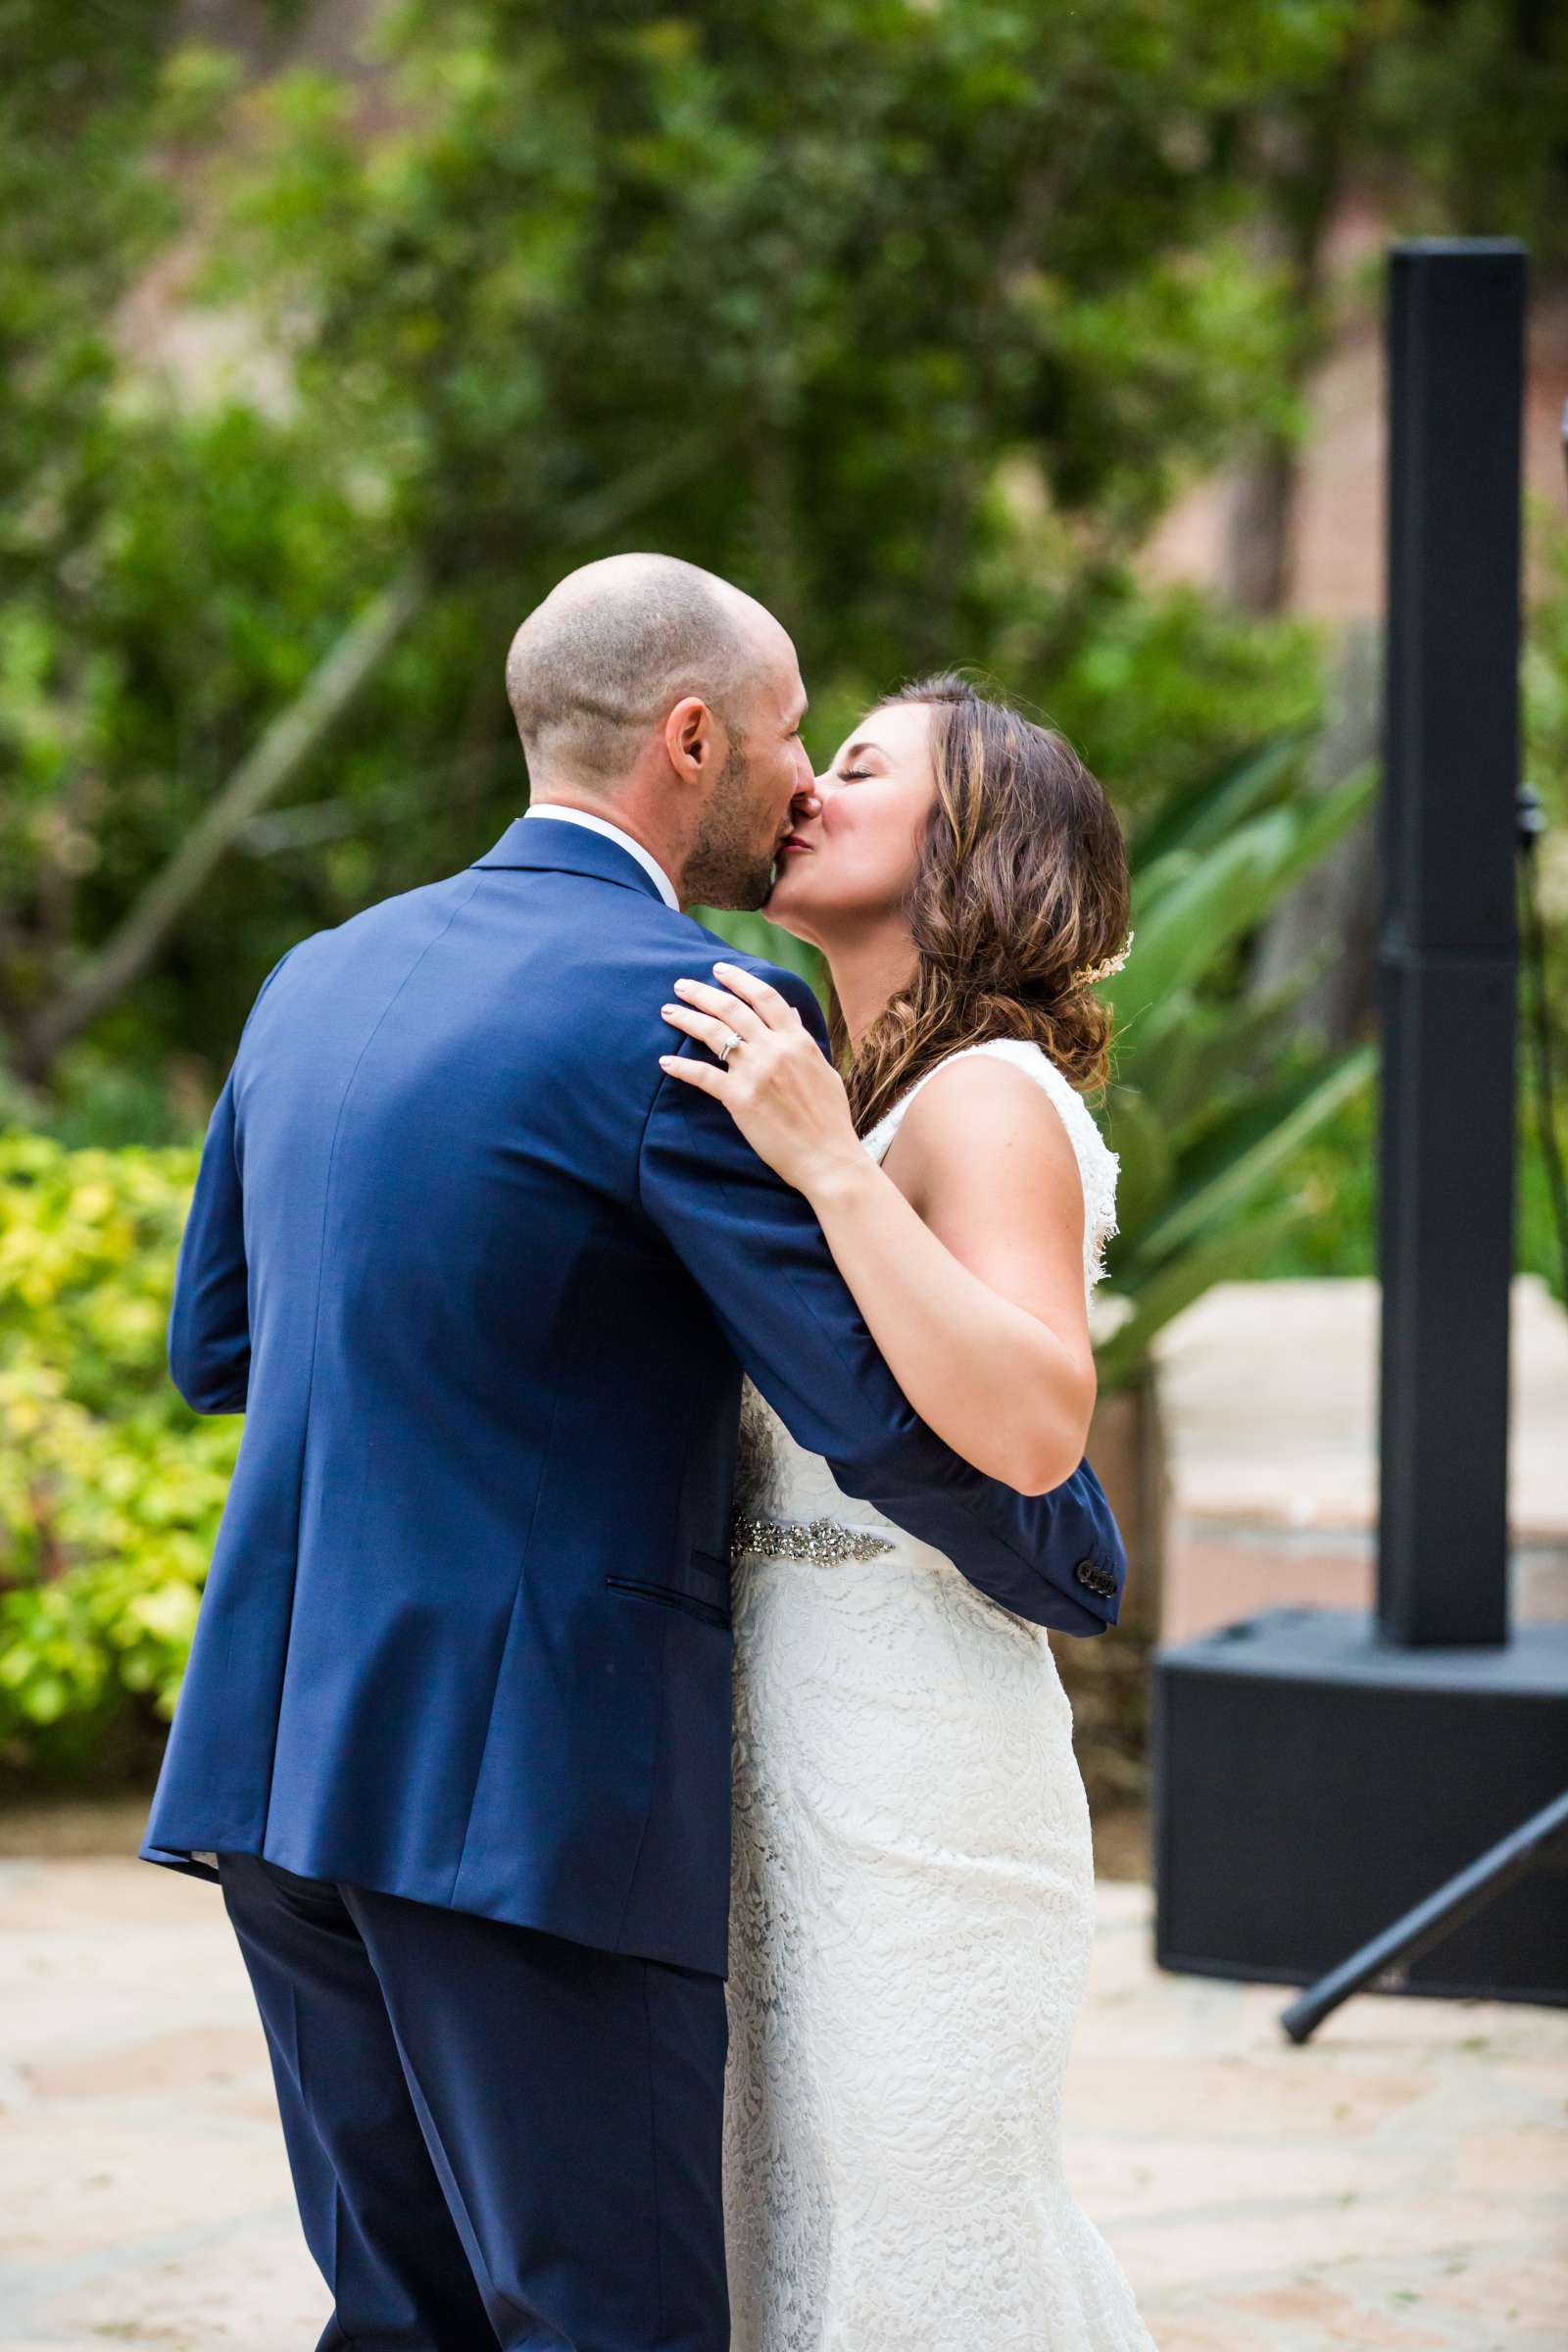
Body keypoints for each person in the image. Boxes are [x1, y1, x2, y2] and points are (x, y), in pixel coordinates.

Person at [139, 555, 1126, 2352]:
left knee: (400, 2314)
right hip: (517, 1790)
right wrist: (1069, 1557)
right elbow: (857, 1401)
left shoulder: (318, 979)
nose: (806, 768)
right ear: (692, 739)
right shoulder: (686, 1014)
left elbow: (221, 1346)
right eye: (792, 730)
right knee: (606, 2317)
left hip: (277, 1768)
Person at [657, 676, 1155, 2348]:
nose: (811, 789)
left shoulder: (984, 1101)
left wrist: (829, 1168)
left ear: (971, 846)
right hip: (787, 1736)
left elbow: (1029, 1424)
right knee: (798, 2212)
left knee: (920, 2200)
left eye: (863, 769)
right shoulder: (867, 1097)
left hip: (925, 1752)